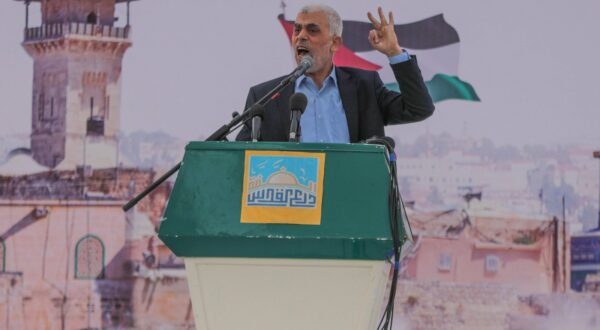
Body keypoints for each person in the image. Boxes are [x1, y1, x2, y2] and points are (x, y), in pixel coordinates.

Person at [236, 5, 434, 143]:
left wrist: (394, 53)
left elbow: (419, 109)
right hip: (293, 199)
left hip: (351, 197)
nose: (301, 36)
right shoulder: (265, 97)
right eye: (297, 30)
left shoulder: (365, 86)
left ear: (335, 43)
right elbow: (239, 160)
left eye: (312, 30)